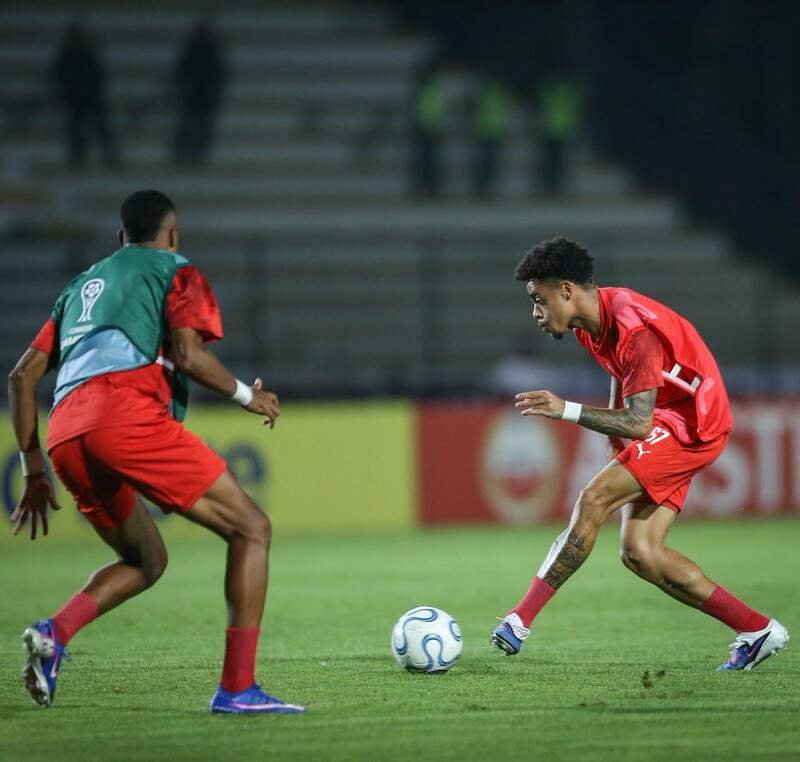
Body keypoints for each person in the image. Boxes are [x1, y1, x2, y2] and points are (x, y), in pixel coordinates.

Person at [9, 190, 304, 714]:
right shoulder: (176, 270)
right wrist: (247, 395)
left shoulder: (80, 287)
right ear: (172, 233)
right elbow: (189, 355)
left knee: (146, 559)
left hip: (65, 433)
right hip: (125, 416)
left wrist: (34, 471)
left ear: (120, 237)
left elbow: (21, 376)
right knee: (251, 529)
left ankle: (54, 633)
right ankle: (237, 689)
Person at [491, 236, 788, 671]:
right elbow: (623, 374)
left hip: (691, 424)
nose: (536, 312)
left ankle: (520, 619)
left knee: (593, 499)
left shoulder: (634, 331)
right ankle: (757, 629)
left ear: (567, 290)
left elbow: (640, 422)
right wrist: (615, 437)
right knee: (640, 552)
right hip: (674, 417)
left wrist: (566, 409)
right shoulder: (593, 320)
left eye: (539, 300)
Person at [49, 19, 120, 169]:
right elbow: (58, 77)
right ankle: (80, 157)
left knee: (99, 129)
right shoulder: (68, 57)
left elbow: (100, 76)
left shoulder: (85, 56)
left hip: (90, 98)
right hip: (77, 99)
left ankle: (108, 156)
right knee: (78, 130)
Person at [170, 21, 227, 165]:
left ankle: (194, 155)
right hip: (194, 97)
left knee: (199, 128)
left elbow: (218, 76)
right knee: (190, 127)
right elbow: (181, 73)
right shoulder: (198, 52)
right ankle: (184, 154)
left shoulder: (207, 53)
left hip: (202, 97)